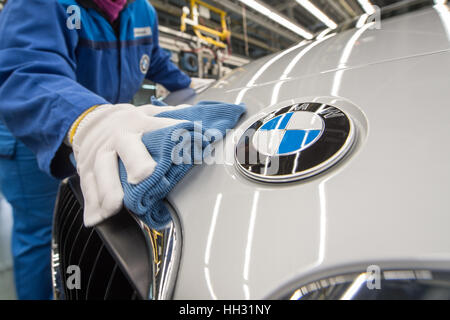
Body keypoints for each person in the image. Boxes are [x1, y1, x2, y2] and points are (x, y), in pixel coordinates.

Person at [0, 0, 193, 299]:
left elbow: (155, 60)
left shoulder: (142, 11)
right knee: (44, 234)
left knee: (94, 223)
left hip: (107, 131)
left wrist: (190, 91)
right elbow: (27, 71)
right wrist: (88, 119)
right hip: (40, 132)